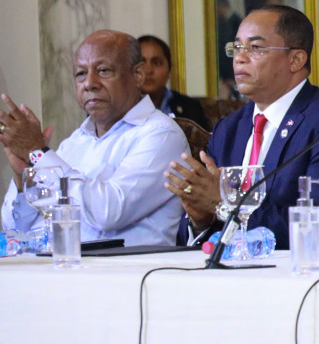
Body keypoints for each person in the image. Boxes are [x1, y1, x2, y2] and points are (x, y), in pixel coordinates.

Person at [164, 5, 319, 249]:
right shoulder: (229, 129)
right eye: (237, 48)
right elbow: (197, 231)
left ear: (295, 60)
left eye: (255, 48)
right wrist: (200, 220)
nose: (239, 58)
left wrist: (223, 204)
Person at [0, 31, 187, 246]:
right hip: (58, 263)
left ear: (138, 75)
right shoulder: (75, 142)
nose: (89, 83)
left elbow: (108, 213)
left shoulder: (161, 134)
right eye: (81, 74)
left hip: (123, 266)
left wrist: (38, 152)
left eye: (103, 71)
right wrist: (23, 177)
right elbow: (15, 229)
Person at [138, 34, 212, 130]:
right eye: (141, 63)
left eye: (157, 63)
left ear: (169, 70)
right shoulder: (122, 109)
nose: (148, 70)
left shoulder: (190, 106)